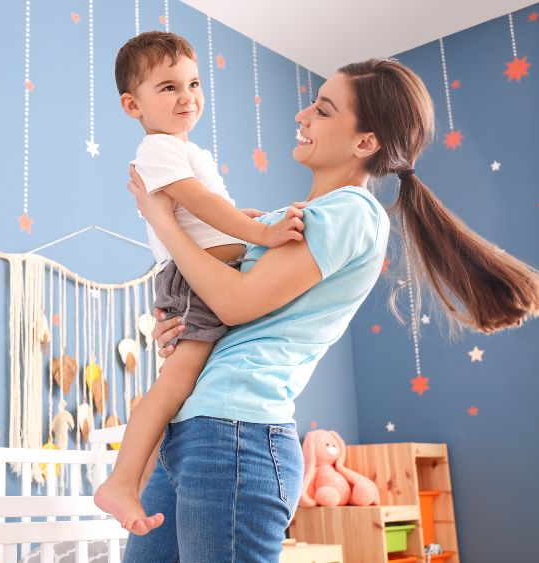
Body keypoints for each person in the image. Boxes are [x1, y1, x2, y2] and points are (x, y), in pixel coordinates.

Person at [121, 57, 539, 562]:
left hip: (235, 432)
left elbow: (234, 300)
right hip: (196, 428)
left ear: (365, 143)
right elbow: (213, 298)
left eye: (322, 109)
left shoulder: (349, 213)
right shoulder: (281, 219)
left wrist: (160, 216)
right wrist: (180, 324)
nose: (302, 115)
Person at [93, 31, 305, 535]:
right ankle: (121, 481)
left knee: (184, 388)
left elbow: (212, 211)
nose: (187, 96)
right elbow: (199, 203)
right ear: (132, 104)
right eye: (168, 88)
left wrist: (243, 221)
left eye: (193, 83)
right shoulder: (157, 148)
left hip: (208, 271)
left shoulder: (189, 151)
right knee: (176, 381)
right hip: (191, 280)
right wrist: (259, 231)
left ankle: (137, 479)